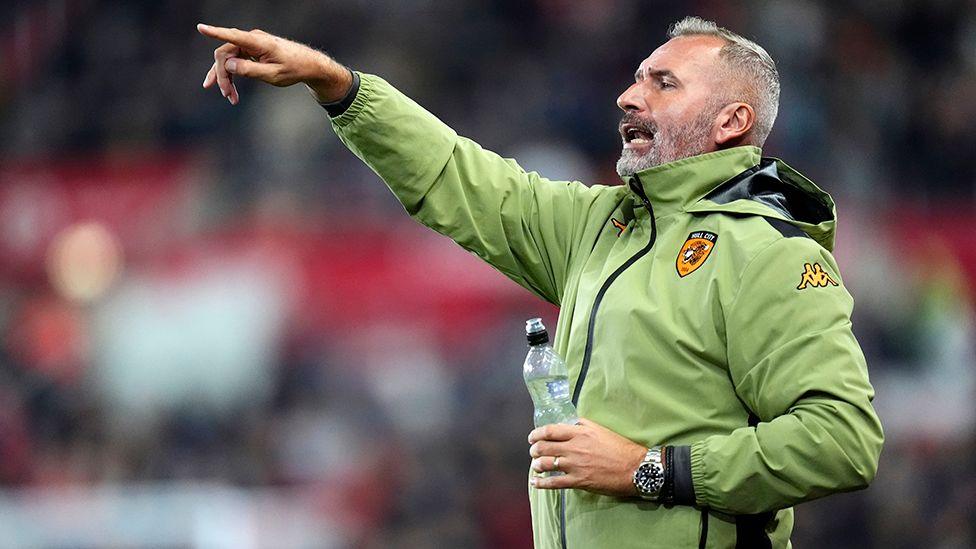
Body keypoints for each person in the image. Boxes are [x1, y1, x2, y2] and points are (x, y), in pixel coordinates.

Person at [197, 16, 884, 548]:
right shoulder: (598, 224)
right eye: (636, 77)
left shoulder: (768, 253)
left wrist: (652, 467)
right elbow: (457, 176)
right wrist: (339, 87)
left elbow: (843, 437)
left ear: (731, 121)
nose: (628, 95)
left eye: (662, 83)